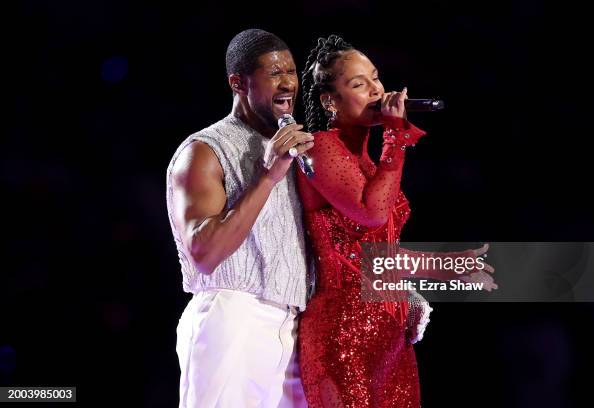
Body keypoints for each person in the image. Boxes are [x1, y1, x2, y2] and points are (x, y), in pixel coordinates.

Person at [296, 35, 496, 407]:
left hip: (390, 336)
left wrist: (443, 266)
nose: (376, 90)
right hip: (344, 334)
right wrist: (396, 137)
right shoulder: (320, 146)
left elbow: (372, 256)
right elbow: (371, 214)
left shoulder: (371, 164)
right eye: (359, 84)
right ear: (330, 100)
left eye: (375, 78)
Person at [166, 29, 313, 408]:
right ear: (238, 82)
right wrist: (268, 177)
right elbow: (205, 252)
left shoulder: (294, 148)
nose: (288, 83)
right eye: (274, 73)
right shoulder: (204, 150)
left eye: (292, 72)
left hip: (296, 326)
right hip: (234, 317)